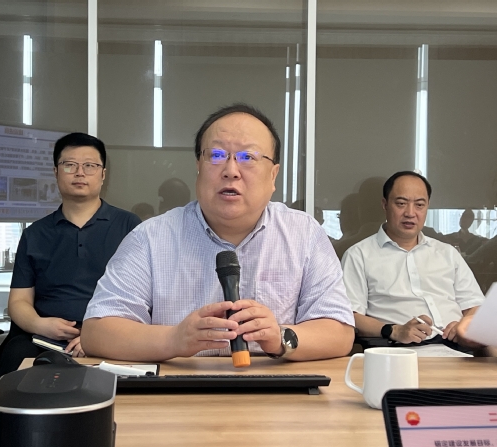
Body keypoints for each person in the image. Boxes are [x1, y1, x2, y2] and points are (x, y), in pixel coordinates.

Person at [82, 103, 355, 362]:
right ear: (198, 166)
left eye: (247, 157)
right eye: (216, 155)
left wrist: (281, 337)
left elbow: (340, 332)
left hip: (277, 387)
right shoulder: (150, 238)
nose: (231, 171)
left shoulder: (303, 234)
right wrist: (173, 339)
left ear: (273, 175)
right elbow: (97, 331)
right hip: (179, 387)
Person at [0, 132, 141, 377]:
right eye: (70, 165)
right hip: (44, 337)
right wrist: (41, 325)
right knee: (15, 361)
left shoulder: (129, 226)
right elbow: (19, 301)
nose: (80, 173)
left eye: (90, 166)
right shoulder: (35, 234)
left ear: (103, 174)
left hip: (112, 332)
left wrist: (96, 336)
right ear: (56, 172)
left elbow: (142, 296)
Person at [341, 171, 485, 348]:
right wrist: (394, 330)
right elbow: (350, 315)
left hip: (459, 349)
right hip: (400, 350)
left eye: (419, 205)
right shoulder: (359, 255)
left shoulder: (447, 253)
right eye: (401, 203)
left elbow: (474, 306)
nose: (410, 213)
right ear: (385, 204)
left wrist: (464, 326)